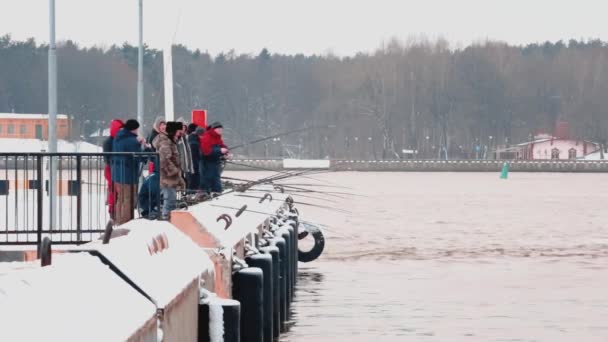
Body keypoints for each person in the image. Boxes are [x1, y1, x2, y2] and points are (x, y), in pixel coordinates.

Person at [111, 119, 145, 225]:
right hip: (128, 174)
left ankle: (118, 220)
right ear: (133, 129)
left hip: (117, 173)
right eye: (137, 129)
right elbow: (139, 157)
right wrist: (142, 144)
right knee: (129, 199)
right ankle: (126, 223)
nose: (137, 131)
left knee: (121, 198)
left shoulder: (118, 137)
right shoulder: (132, 141)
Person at [153, 121, 185, 220]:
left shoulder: (170, 141)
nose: (179, 134)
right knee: (170, 201)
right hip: (168, 178)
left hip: (172, 177)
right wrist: (174, 171)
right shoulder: (165, 142)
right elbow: (164, 159)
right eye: (178, 132)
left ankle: (170, 218)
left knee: (173, 200)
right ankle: (166, 219)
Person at [102, 119, 124, 219]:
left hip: (113, 168)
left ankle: (115, 212)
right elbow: (107, 159)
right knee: (113, 191)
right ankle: (113, 212)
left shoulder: (109, 141)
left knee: (115, 191)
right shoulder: (110, 142)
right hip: (111, 169)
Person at [201, 121, 229, 194]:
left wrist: (226, 153)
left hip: (216, 163)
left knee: (216, 179)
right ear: (214, 129)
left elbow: (222, 146)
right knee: (208, 179)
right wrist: (219, 150)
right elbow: (206, 151)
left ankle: (217, 193)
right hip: (207, 164)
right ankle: (206, 194)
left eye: (221, 129)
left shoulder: (217, 137)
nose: (221, 131)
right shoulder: (207, 137)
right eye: (219, 129)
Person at [176, 118, 195, 189]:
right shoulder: (175, 138)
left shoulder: (185, 138)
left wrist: (190, 166)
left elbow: (187, 153)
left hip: (185, 167)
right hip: (178, 167)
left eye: (184, 127)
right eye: (181, 127)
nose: (183, 129)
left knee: (185, 184)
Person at [186, 123, 203, 190]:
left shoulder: (191, 140)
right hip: (194, 167)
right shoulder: (194, 143)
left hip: (193, 167)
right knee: (193, 184)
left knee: (192, 183)